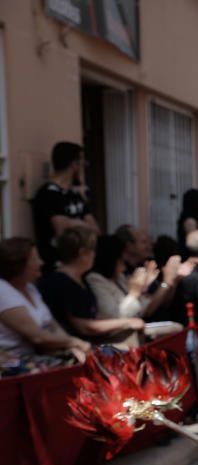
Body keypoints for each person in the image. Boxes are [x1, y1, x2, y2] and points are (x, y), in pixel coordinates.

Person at [38, 228, 145, 344]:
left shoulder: (81, 279)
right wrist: (127, 322)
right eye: (92, 250)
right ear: (82, 253)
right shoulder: (59, 282)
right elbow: (84, 326)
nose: (95, 255)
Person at [0, 238, 90, 366]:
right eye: (35, 259)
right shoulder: (2, 290)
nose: (41, 263)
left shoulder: (30, 288)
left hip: (40, 356)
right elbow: (37, 337)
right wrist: (74, 342)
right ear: (19, 264)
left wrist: (71, 347)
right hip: (13, 362)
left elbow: (52, 325)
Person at [85, 235, 186, 344]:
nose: (124, 266)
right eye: (121, 260)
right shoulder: (95, 280)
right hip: (117, 338)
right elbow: (117, 317)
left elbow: (145, 308)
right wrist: (134, 293)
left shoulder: (118, 277)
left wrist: (144, 289)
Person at [31, 142, 99, 270]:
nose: (83, 165)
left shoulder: (75, 194)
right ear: (74, 164)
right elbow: (61, 231)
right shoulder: (48, 194)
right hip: (57, 265)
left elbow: (95, 230)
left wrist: (72, 222)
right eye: (82, 160)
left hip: (81, 264)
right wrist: (81, 223)